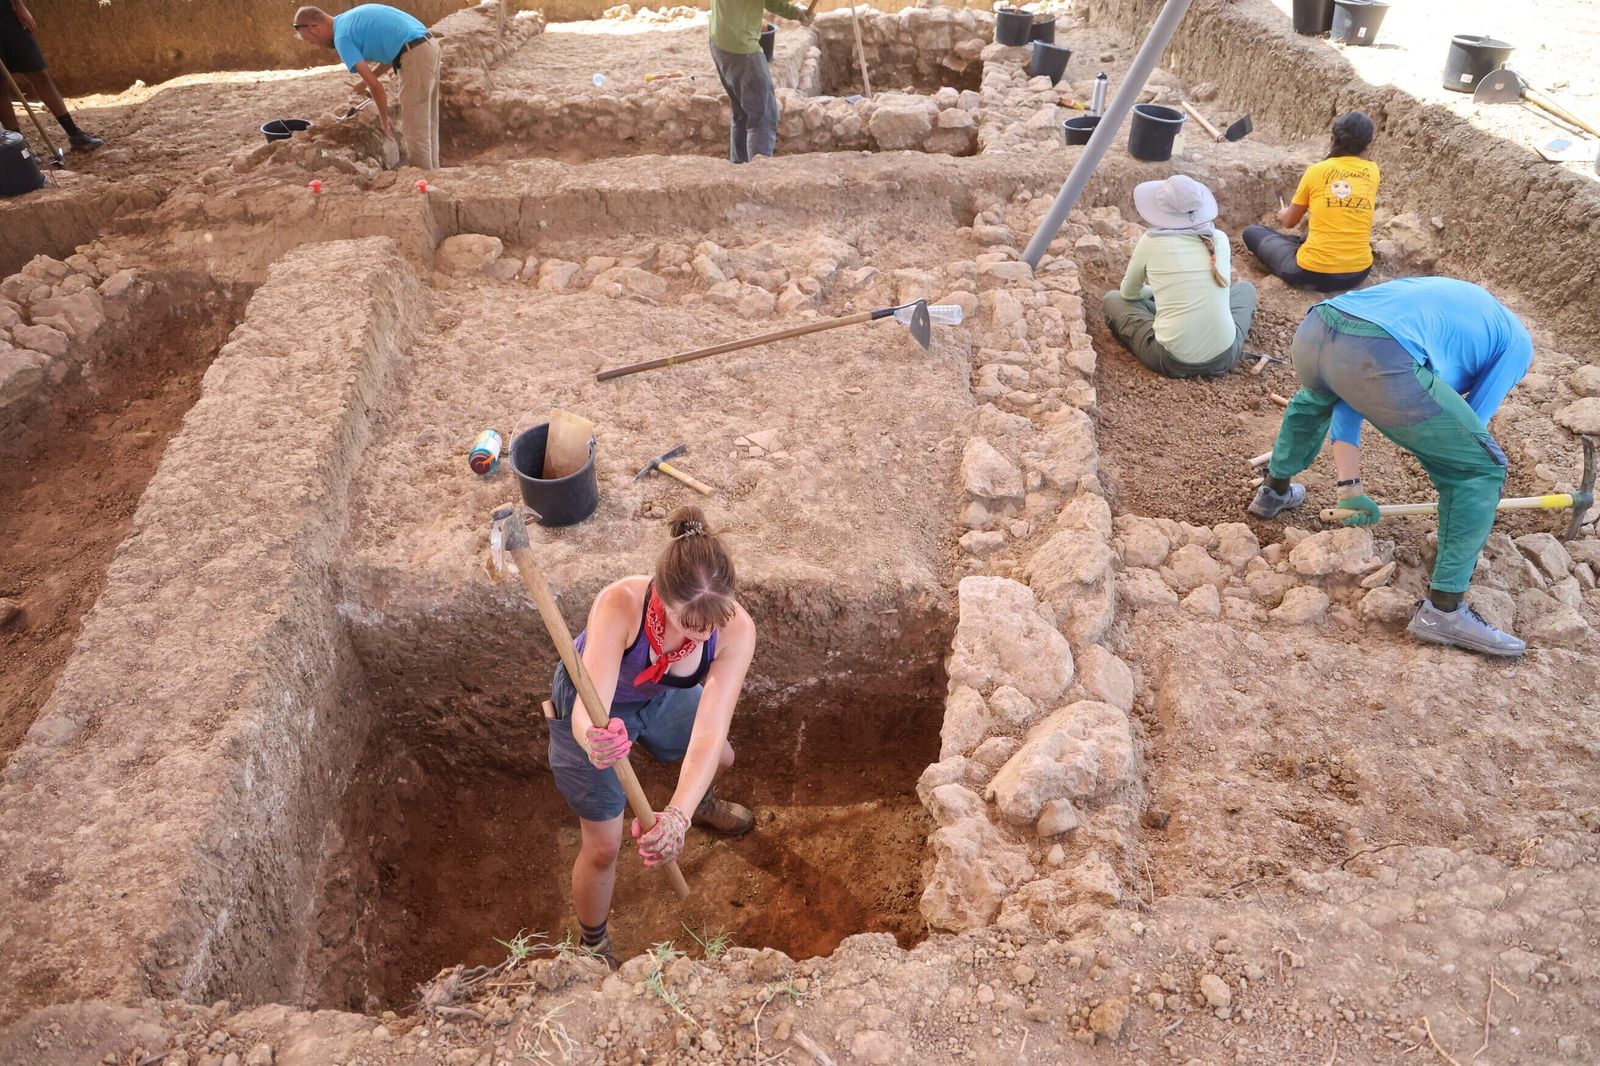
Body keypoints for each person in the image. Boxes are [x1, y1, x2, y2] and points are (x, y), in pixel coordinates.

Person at [1249, 277, 1534, 657]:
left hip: (1319, 327)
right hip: (1379, 350)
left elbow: (1347, 394)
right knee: (1479, 469)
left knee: (1314, 401)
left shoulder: (1461, 312)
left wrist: (1349, 488)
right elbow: (1472, 428)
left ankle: (1274, 490)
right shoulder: (1518, 346)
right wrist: (1453, 466)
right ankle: (1444, 612)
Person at [547, 507, 756, 964]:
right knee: (603, 846)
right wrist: (592, 739)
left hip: (659, 696)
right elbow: (588, 709)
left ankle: (698, 806)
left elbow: (709, 727)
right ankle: (594, 943)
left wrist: (675, 817)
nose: (701, 638)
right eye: (687, 624)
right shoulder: (620, 603)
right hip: (599, 708)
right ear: (661, 596)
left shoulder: (736, 630)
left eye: (711, 625)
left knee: (720, 756)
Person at [1101, 174, 1257, 378]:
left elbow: (1129, 294)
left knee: (1112, 300)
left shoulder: (1151, 241)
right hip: (1225, 355)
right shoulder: (1219, 239)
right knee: (1245, 290)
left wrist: (1153, 292)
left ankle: (1170, 317)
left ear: (1161, 210)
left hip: (1169, 359)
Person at [1242, 111, 1378, 292]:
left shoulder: (1316, 171)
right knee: (1306, 237)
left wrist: (1283, 213)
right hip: (1358, 273)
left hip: (1312, 273)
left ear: (1332, 138)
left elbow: (1289, 222)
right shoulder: (1373, 171)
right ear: (1368, 144)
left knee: (1253, 232)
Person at [294, 4, 441, 169]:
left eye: (312, 41)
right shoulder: (348, 20)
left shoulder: (341, 38)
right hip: (428, 46)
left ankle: (425, 182)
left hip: (415, 55)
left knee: (414, 128)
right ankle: (435, 176)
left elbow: (376, 88)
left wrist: (384, 118)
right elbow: (392, 53)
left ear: (314, 27)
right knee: (428, 121)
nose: (318, 46)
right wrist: (363, 83)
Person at [708, 0, 812, 163]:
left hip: (721, 41)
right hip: (740, 48)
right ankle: (758, 176)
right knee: (763, 116)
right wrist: (795, 12)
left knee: (743, 113)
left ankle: (741, 171)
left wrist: (795, 13)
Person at [0, 0, 102, 151]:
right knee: (0, 87)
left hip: (6, 13)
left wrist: (19, 6)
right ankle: (20, 149)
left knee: (39, 73)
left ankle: (75, 134)